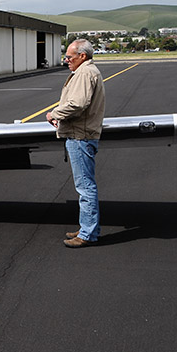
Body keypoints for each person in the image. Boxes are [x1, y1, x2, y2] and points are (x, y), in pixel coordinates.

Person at [46, 39, 105, 248]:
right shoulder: (88, 72)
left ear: (83, 56)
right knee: (85, 185)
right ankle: (88, 227)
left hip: (81, 136)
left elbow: (78, 104)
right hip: (83, 134)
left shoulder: (84, 73)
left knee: (85, 187)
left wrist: (54, 113)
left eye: (69, 57)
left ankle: (88, 234)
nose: (66, 61)